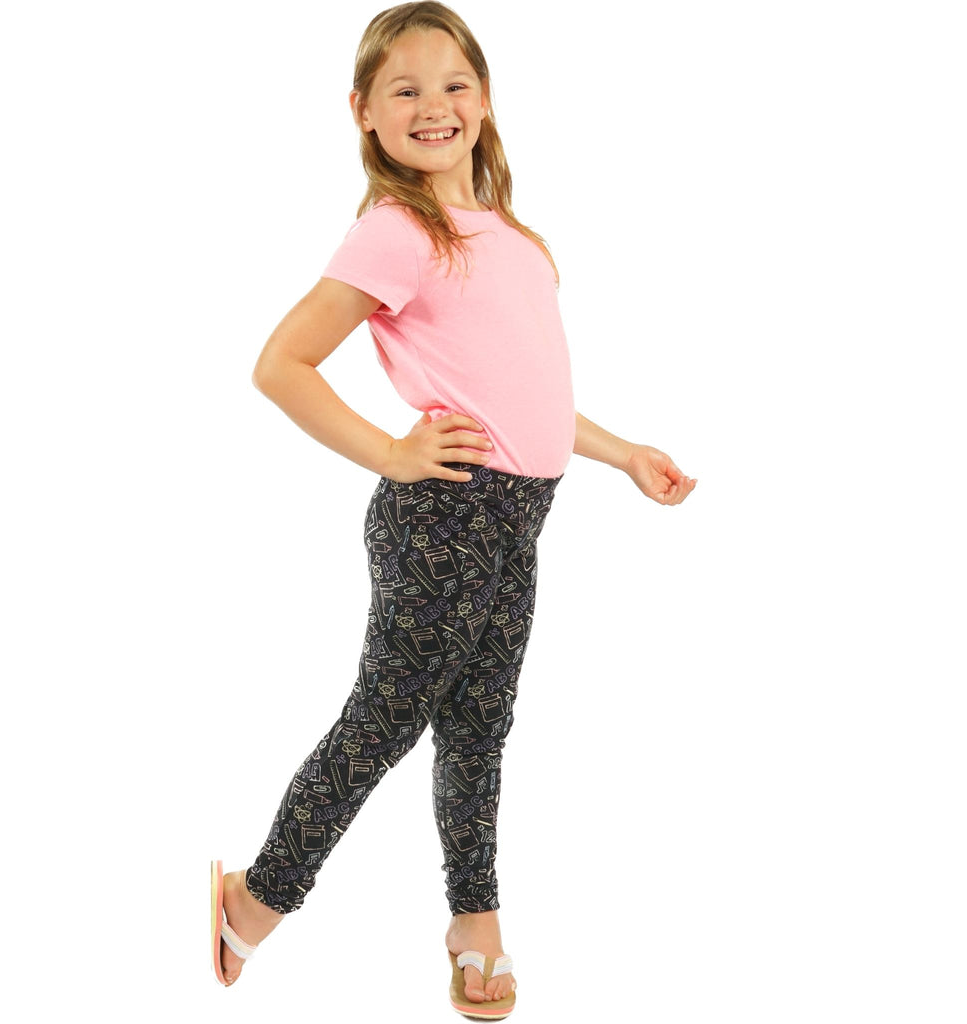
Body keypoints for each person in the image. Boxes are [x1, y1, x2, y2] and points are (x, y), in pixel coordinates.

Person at [210, 2, 697, 1017]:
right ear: (363, 111)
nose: (433, 106)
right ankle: (255, 896)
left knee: (480, 727)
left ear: (484, 99)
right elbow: (281, 363)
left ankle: (475, 922)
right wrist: (392, 451)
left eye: (453, 84)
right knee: (386, 719)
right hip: (444, 517)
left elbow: (528, 395)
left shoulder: (511, 237)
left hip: (520, 519)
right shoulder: (395, 231)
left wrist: (622, 455)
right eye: (406, 89)